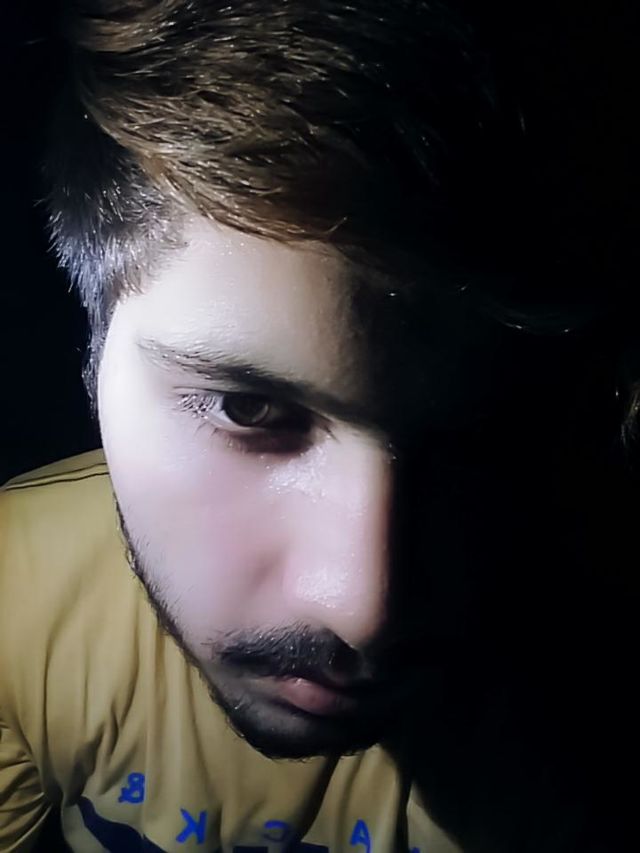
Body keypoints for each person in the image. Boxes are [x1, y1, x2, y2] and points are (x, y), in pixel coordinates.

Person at [1, 1, 636, 851]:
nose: (366, 607)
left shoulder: (594, 713)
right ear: (93, 359)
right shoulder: (13, 592)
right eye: (247, 407)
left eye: (488, 432)